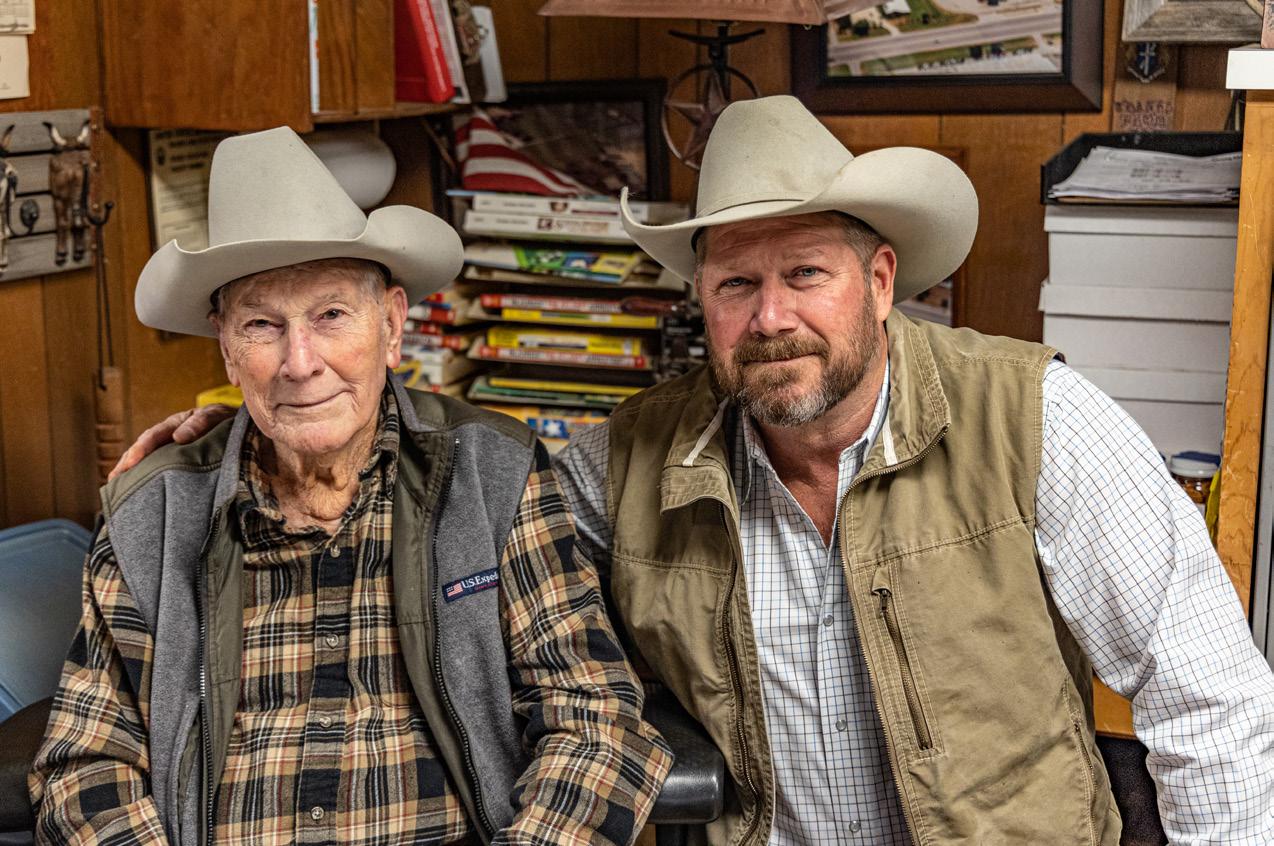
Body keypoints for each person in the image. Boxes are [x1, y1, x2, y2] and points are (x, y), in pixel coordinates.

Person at [113, 97, 1274, 845]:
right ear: (700, 301)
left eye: (805, 274)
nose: (770, 317)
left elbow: (1209, 701)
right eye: (733, 284)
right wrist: (237, 436)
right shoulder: (623, 461)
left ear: (880, 281)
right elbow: (450, 485)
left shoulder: (1034, 418)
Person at [32, 127, 671, 845]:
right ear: (228, 351)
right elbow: (85, 765)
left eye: (331, 315)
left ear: (392, 326)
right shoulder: (153, 512)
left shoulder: (494, 475)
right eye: (262, 325)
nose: (300, 362)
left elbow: (596, 717)